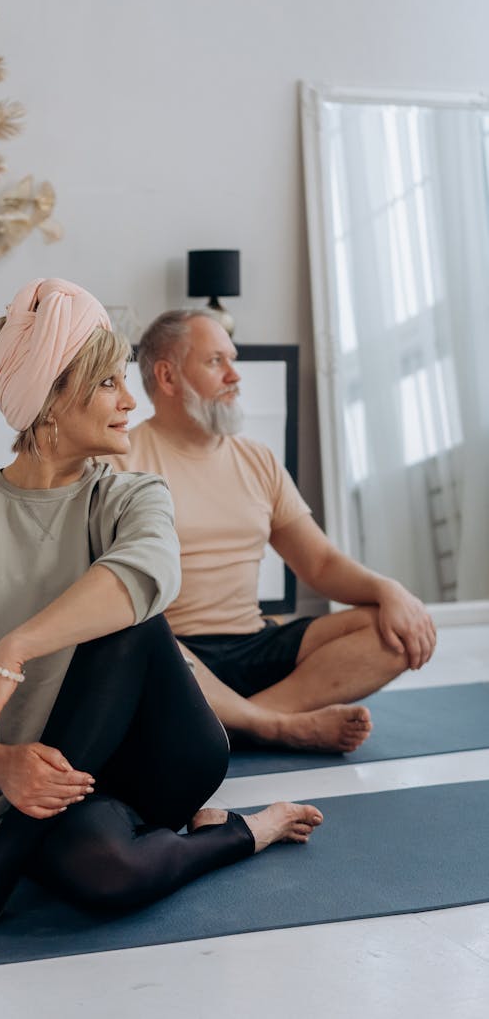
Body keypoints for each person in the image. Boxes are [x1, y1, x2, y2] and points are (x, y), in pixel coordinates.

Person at [0, 279, 322, 958]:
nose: (131, 400)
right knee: (108, 874)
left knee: (130, 616)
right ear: (54, 400)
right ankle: (246, 830)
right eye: (111, 383)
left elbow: (149, 572)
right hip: (28, 792)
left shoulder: (133, 494)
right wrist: (1, 764)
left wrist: (13, 651)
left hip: (160, 758)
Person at [111, 309, 437, 754]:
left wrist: (389, 590)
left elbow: (318, 563)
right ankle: (275, 726)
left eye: (233, 359)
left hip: (254, 641)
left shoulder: (258, 460)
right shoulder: (120, 462)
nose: (234, 376)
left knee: (392, 634)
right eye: (215, 362)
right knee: (131, 637)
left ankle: (237, 724)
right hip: (175, 654)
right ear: (167, 377)